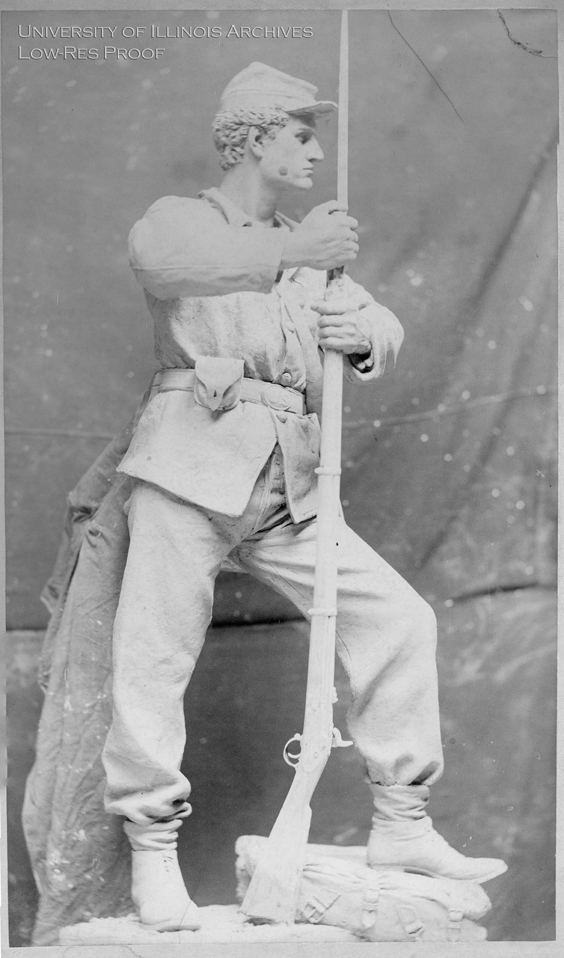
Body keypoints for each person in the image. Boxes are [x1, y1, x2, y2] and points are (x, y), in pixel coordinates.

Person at [101, 62, 507, 933]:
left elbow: (381, 325)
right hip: (188, 467)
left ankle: (402, 823)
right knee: (152, 660)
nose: (317, 152)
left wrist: (363, 333)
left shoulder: (307, 248)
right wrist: (298, 255)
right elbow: (165, 264)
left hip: (289, 484)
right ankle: (152, 853)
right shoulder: (188, 220)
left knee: (399, 621)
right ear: (254, 139)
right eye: (301, 134)